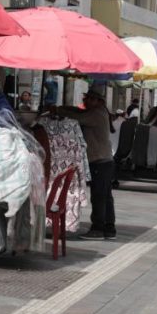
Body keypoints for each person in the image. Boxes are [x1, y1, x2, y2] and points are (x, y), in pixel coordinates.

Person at [53, 87, 116, 240]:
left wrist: (59, 111)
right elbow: (77, 111)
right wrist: (61, 108)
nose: (86, 101)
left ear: (99, 101)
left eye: (90, 98)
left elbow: (78, 117)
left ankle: (98, 229)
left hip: (100, 161)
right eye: (86, 98)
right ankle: (109, 228)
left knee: (99, 196)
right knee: (106, 196)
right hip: (105, 161)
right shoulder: (98, 111)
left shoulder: (97, 114)